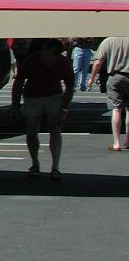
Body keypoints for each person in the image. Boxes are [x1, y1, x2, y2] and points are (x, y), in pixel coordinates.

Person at [11, 38, 74, 180]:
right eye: (44, 53)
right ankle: (35, 163)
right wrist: (15, 105)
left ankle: (55, 167)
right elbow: (19, 82)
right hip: (32, 96)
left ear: (57, 56)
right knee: (31, 129)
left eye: (48, 55)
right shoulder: (32, 60)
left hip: (54, 96)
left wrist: (64, 109)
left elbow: (70, 87)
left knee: (55, 128)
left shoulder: (64, 63)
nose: (44, 57)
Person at [87, 36, 129, 151]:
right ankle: (128, 140)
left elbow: (98, 62)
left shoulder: (108, 41)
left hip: (115, 77)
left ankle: (116, 143)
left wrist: (91, 78)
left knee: (116, 109)